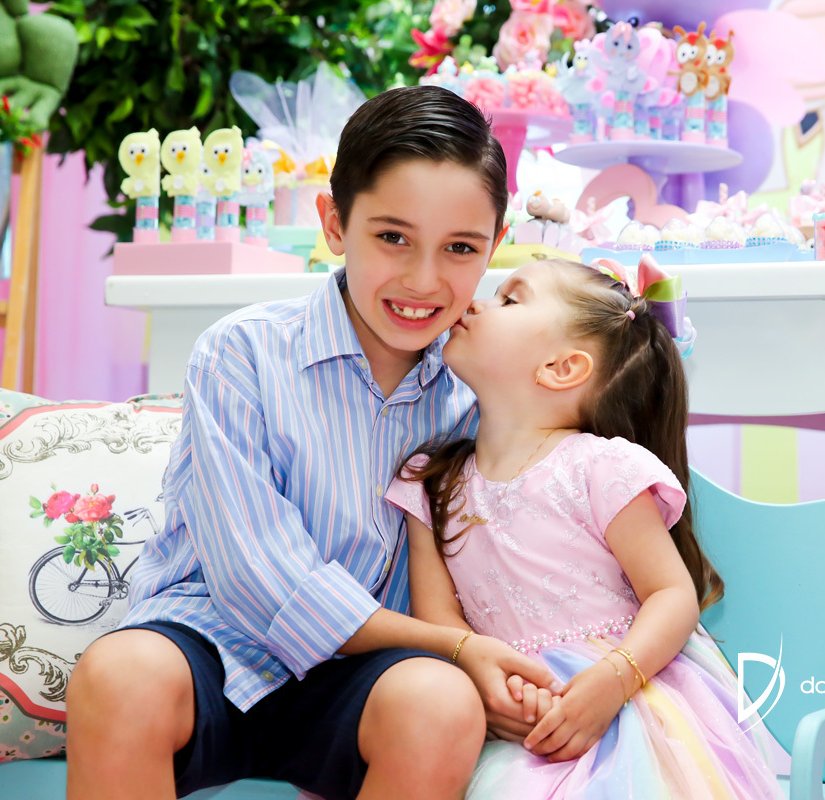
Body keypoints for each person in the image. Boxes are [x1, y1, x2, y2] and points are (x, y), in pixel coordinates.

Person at [65, 85, 561, 800]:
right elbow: (258, 576)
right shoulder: (241, 353)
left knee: (441, 703)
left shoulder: (479, 391)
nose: (424, 280)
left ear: (494, 244)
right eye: (392, 237)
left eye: (460, 248)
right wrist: (458, 646)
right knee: (119, 675)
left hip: (370, 681)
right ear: (334, 222)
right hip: (212, 645)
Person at [385, 255, 784, 798]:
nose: (475, 304)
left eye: (509, 298)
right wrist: (495, 688)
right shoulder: (430, 483)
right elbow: (439, 619)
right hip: (510, 706)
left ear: (561, 367)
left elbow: (671, 594)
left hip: (629, 696)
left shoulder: (601, 466)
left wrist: (614, 680)